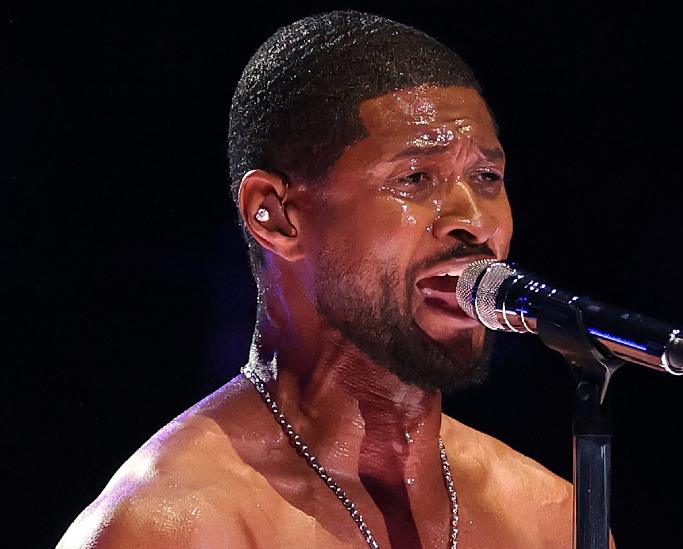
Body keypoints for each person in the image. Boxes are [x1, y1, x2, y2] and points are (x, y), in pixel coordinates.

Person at [58, 11, 588, 549]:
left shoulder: (550, 519)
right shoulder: (172, 526)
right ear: (276, 215)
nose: (474, 219)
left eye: (487, 177)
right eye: (415, 178)